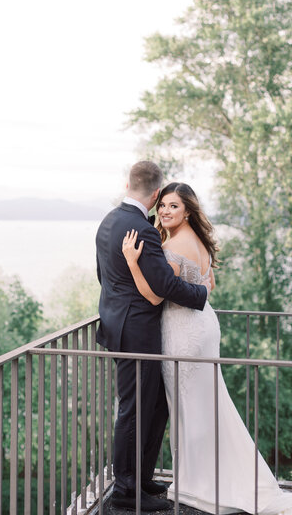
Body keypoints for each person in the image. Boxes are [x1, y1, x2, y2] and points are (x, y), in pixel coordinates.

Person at [122, 182, 292, 515]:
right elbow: (208, 285)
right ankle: (212, 478)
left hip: (183, 330)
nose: (167, 212)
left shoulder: (174, 248)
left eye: (174, 206)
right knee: (209, 403)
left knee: (191, 408)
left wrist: (131, 262)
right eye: (164, 206)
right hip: (202, 325)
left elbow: (155, 296)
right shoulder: (199, 242)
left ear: (188, 210)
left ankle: (202, 484)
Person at [95, 162, 210, 512]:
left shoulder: (108, 222)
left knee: (154, 405)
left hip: (121, 325)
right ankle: (126, 493)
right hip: (137, 332)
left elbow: (104, 276)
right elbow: (162, 284)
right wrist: (200, 294)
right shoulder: (141, 229)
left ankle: (142, 478)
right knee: (134, 410)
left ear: (127, 183)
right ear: (157, 194)